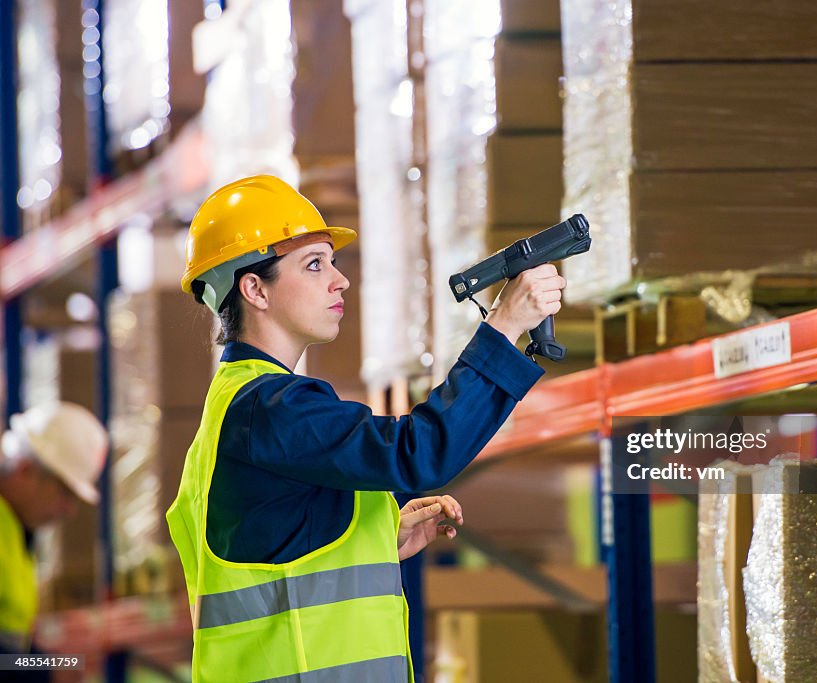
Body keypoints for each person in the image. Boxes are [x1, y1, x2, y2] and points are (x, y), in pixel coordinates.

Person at [167, 175, 564, 682]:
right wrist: (506, 327)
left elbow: (269, 546)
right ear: (254, 289)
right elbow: (418, 454)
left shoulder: (238, 405)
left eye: (332, 262)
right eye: (314, 265)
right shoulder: (269, 406)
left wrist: (373, 538)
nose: (340, 280)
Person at [0, 401, 108, 676]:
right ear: (25, 470)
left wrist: (50, 664)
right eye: (64, 492)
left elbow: (11, 646)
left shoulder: (15, 529)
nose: (69, 510)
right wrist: (45, 671)